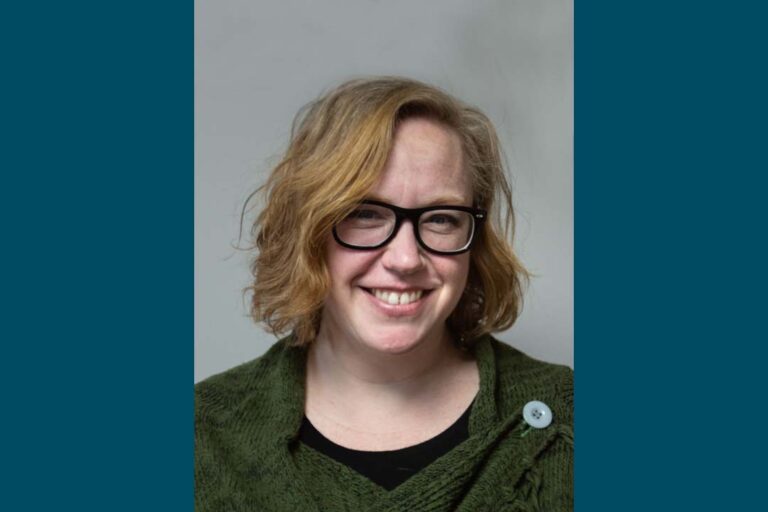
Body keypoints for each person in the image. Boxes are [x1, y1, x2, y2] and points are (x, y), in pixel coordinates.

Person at [195, 77, 573, 511]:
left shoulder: (569, 415)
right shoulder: (205, 433)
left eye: (442, 219)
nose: (406, 258)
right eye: (366, 213)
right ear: (306, 229)